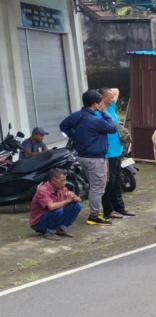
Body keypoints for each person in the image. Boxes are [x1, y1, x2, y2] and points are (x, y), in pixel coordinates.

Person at [59, 89, 117, 226]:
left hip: (82, 156)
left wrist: (75, 137)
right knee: (98, 188)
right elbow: (112, 128)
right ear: (96, 104)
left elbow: (63, 126)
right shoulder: (95, 120)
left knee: (93, 186)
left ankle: (96, 212)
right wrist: (104, 112)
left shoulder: (77, 116)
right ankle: (94, 216)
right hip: (95, 159)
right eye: (100, 102)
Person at [97, 88, 134, 219]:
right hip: (107, 154)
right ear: (102, 97)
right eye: (109, 96)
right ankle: (109, 210)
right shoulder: (98, 113)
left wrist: (108, 94)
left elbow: (117, 90)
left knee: (118, 182)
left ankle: (120, 208)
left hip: (117, 151)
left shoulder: (110, 106)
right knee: (109, 184)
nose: (113, 98)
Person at [29, 168, 82, 240]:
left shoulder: (62, 187)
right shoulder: (42, 190)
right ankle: (50, 232)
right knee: (58, 210)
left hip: (52, 216)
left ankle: (60, 230)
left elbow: (79, 200)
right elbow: (51, 207)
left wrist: (74, 197)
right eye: (62, 180)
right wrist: (67, 201)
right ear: (54, 180)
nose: (65, 182)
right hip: (39, 223)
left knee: (77, 205)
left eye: (65, 180)